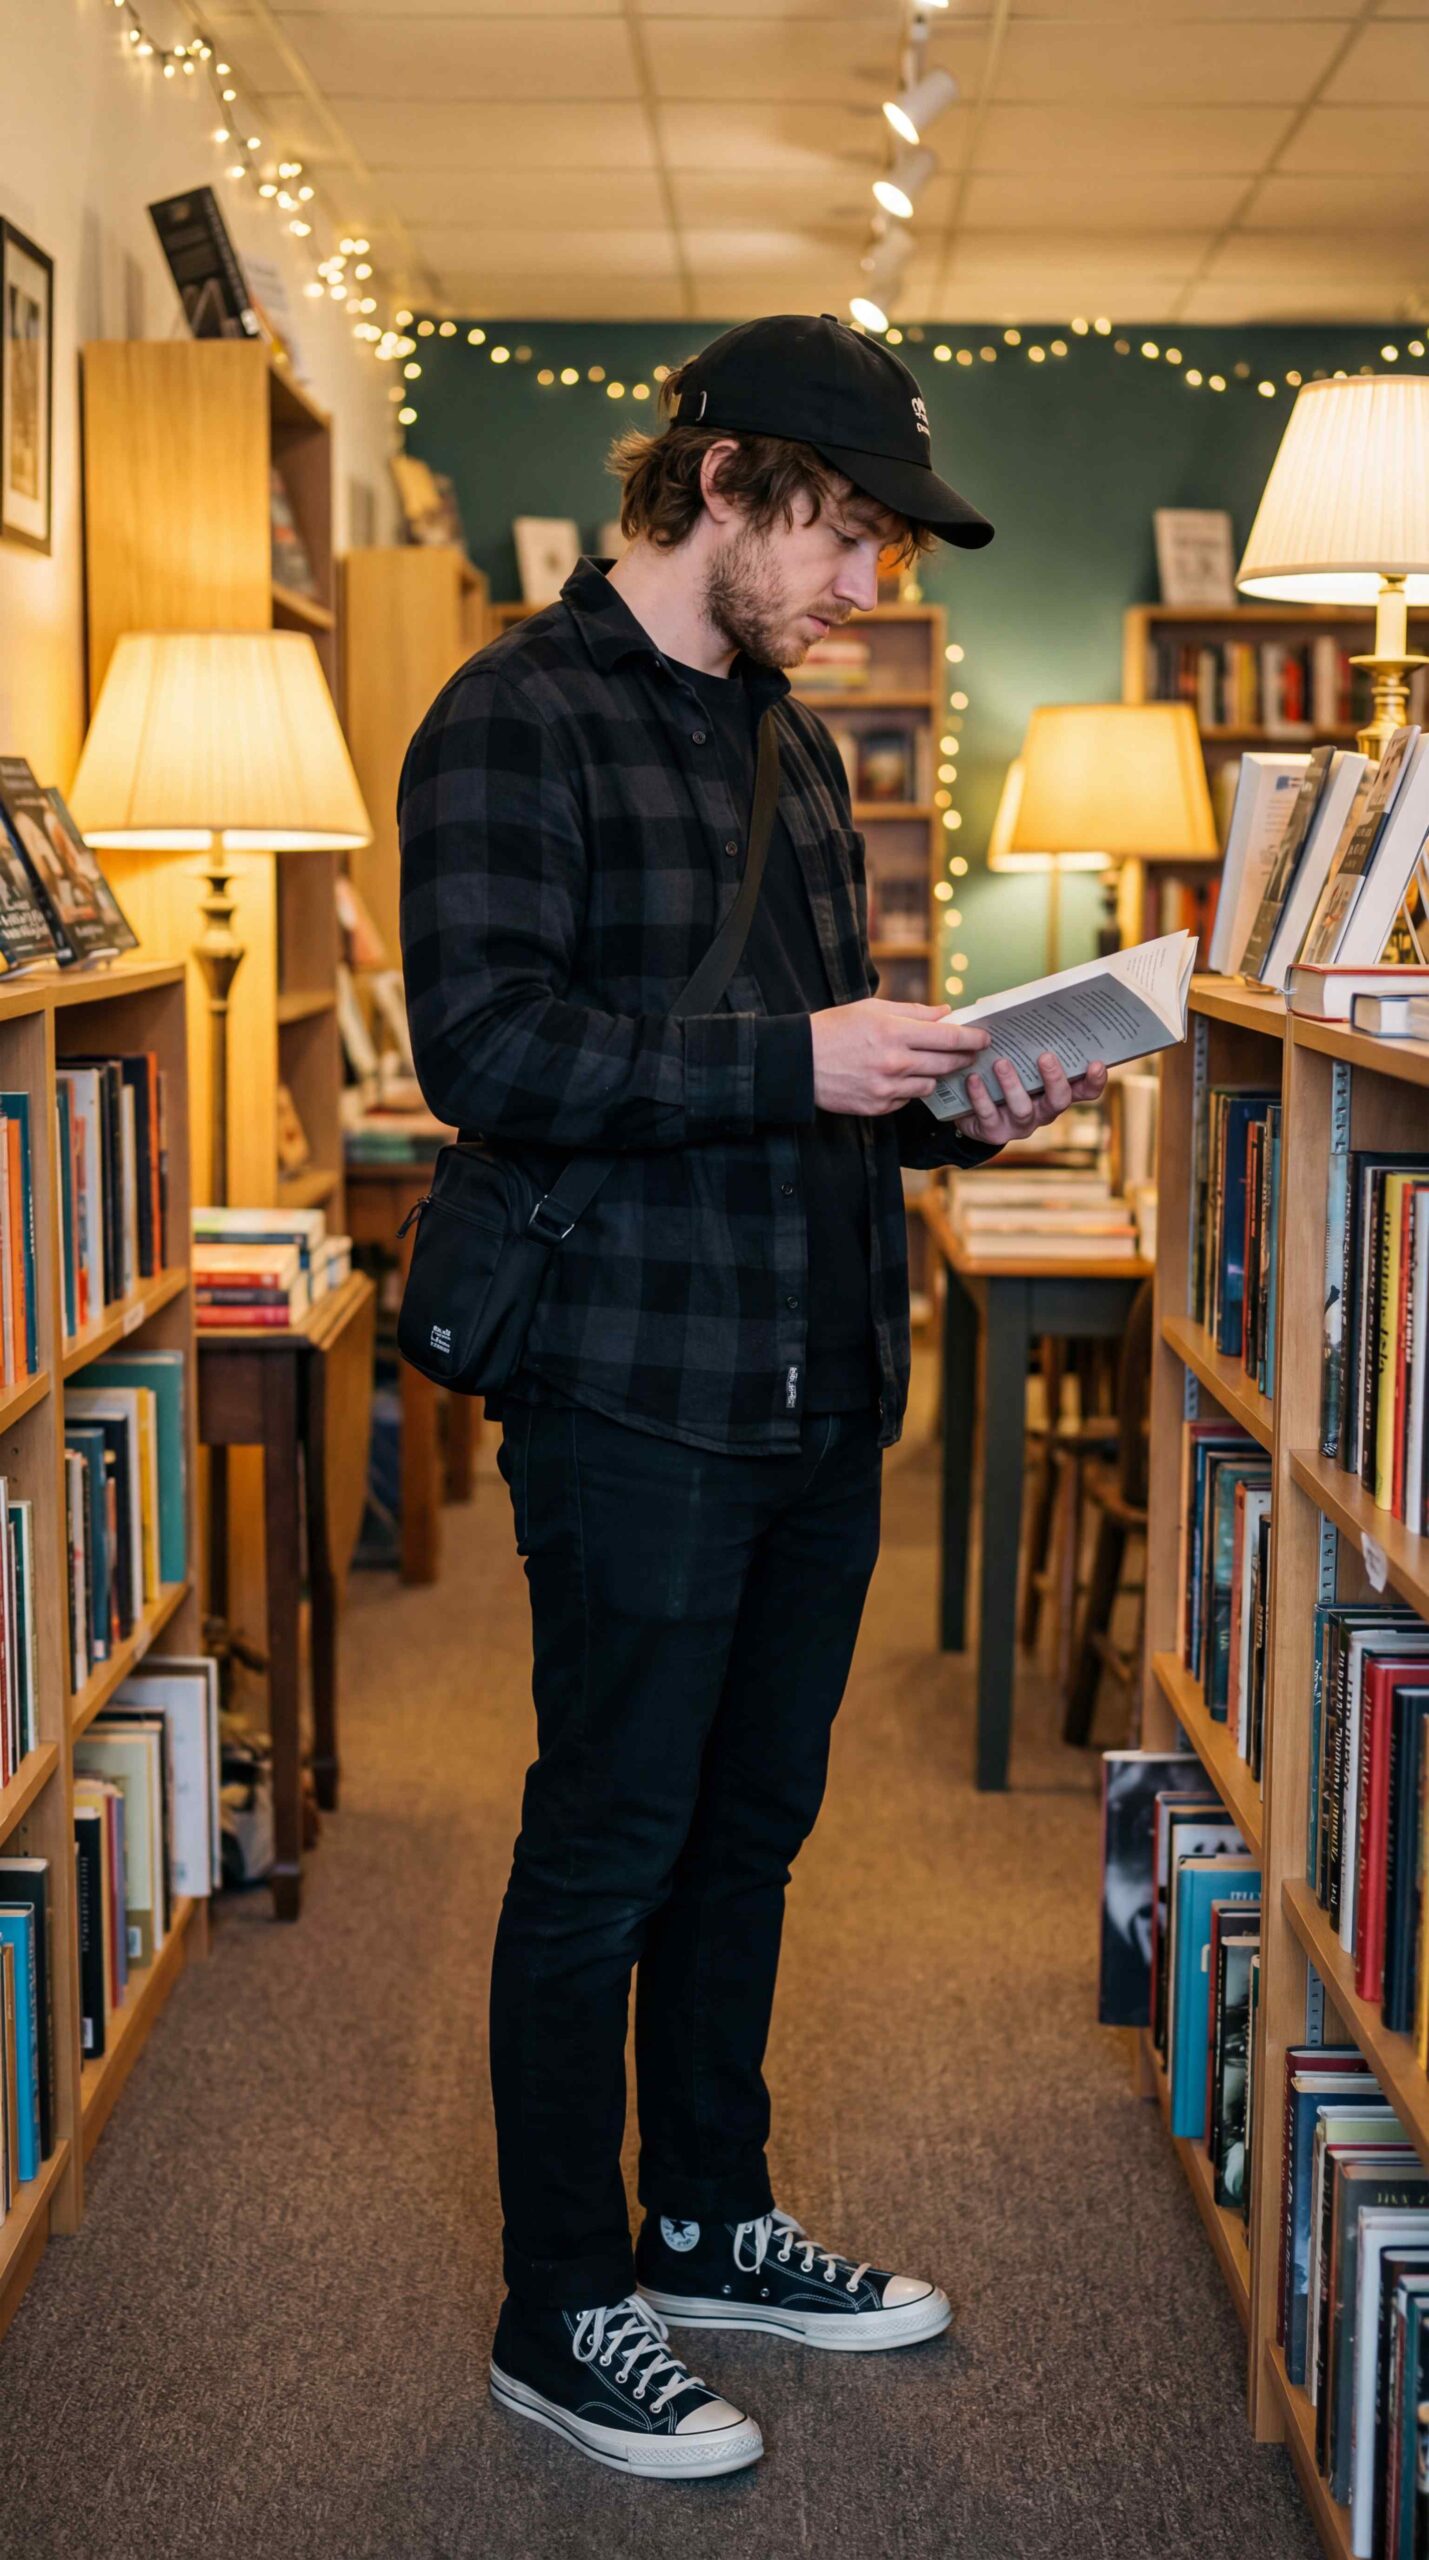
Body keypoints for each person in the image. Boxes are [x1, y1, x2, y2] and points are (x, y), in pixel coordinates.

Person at [399, 313, 1107, 2483]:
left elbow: (809, 1077)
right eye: (849, 533)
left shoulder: (798, 744)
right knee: (604, 1846)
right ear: (717, 483)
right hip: (627, 1389)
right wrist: (796, 1060)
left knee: (753, 1837)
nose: (873, 581)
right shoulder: (507, 717)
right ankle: (559, 2295)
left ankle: (705, 2211)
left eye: (888, 547)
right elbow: (491, 1058)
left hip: (817, 1385)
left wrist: (945, 1109)